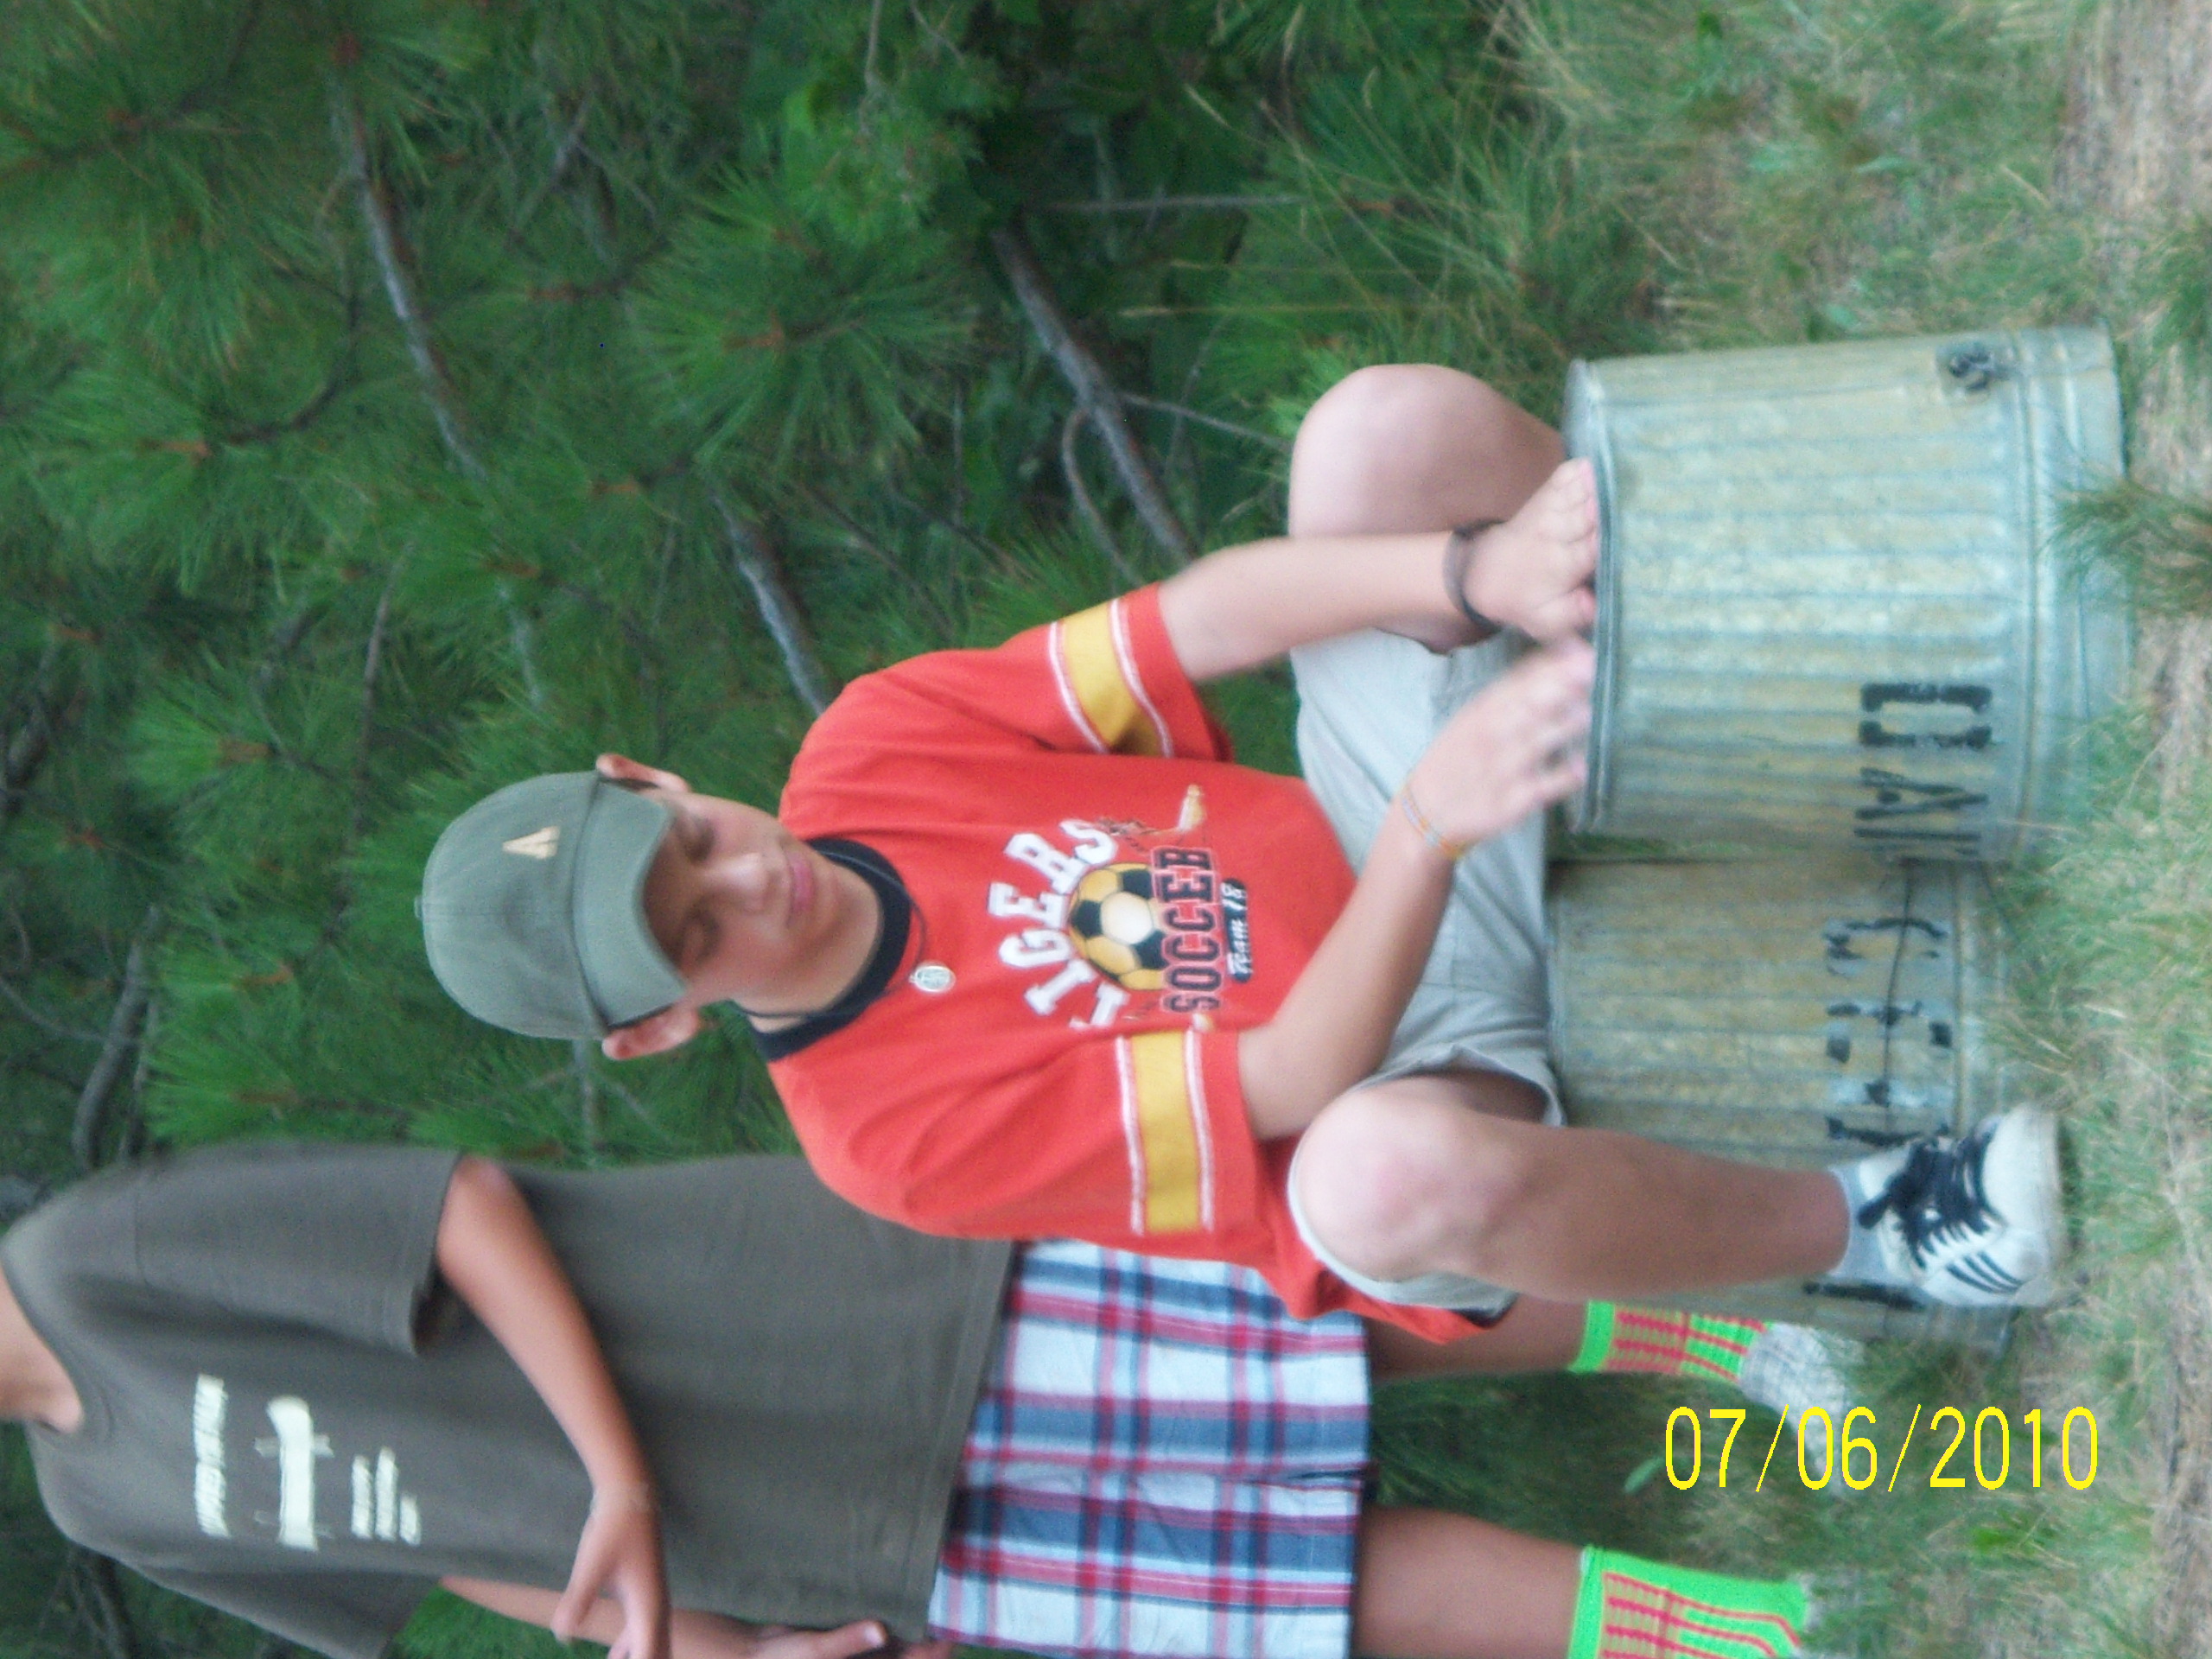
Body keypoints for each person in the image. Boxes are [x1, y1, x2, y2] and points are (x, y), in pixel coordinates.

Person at [419, 364, 2067, 1344]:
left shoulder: (867, 743)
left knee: (1375, 439)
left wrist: (1468, 574)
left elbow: (1195, 621)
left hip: (1379, 830)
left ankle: (1863, 640)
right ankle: (1883, 1227)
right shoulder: (880, 1138)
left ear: (652, 774)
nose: (744, 885)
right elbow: (1289, 1082)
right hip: (1403, 1076)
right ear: (660, 1027)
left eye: (692, 842)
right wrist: (1431, 827)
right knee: (1374, 1181)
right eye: (695, 936)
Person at [1, 1140, 1847, 1659]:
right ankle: (1772, 1631)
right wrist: (714, 1648)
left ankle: (1736, 1344)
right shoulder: (105, 1505)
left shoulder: (89, 1256)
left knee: (1313, 1334)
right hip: (811, 1541)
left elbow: (461, 1213)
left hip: (817, 1320)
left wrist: (617, 1483)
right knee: (1298, 1599)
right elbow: (450, 1559)